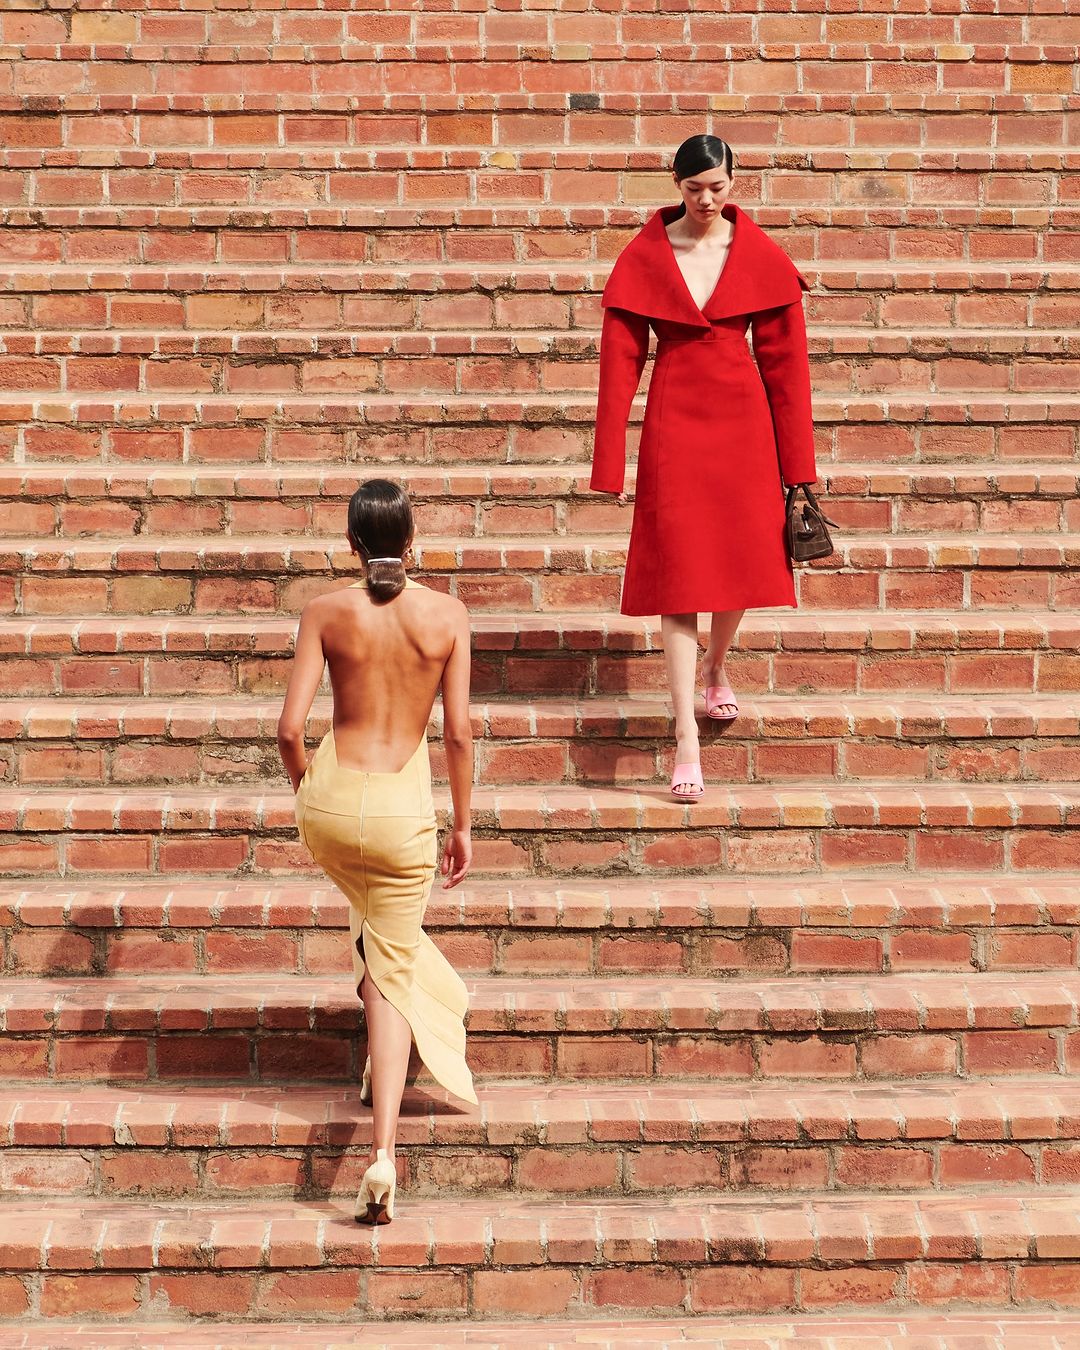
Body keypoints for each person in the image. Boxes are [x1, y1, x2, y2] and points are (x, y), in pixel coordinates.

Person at [591, 134, 819, 801]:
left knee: (743, 556)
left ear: (733, 181)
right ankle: (685, 734)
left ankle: (716, 665)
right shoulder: (647, 255)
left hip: (744, 423)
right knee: (679, 574)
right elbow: (619, 362)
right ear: (676, 184)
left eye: (718, 187)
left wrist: (798, 468)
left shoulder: (758, 255)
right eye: (694, 189)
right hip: (675, 419)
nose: (707, 200)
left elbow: (787, 369)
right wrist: (609, 461)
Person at [277, 478, 477, 1226]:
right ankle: (384, 1151)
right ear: (413, 541)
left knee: (376, 928)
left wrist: (308, 794)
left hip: (332, 804)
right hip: (400, 816)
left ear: (351, 544)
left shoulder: (325, 611)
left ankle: (375, 1063)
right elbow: (458, 733)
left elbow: (289, 731)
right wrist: (463, 824)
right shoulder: (447, 616)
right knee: (393, 972)